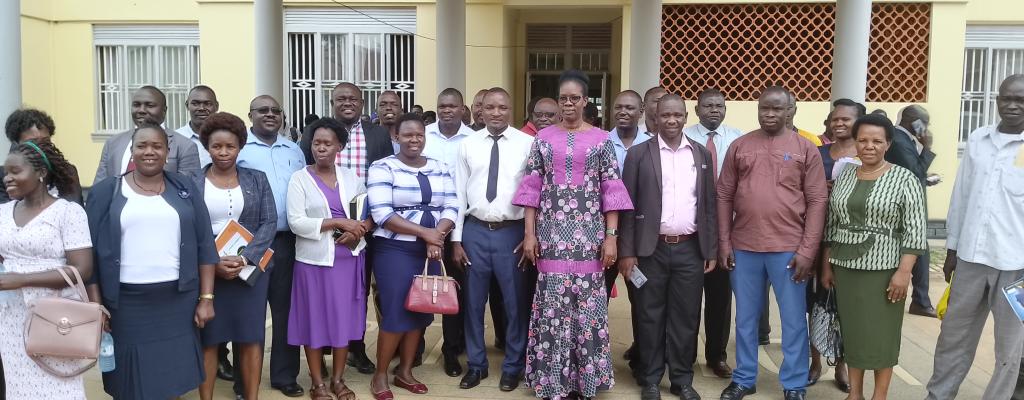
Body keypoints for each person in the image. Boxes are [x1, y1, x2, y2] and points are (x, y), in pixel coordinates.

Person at [513, 69, 633, 400]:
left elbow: (612, 189)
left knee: (588, 308)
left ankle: (586, 382)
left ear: (585, 100)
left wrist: (611, 237)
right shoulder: (543, 138)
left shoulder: (602, 139)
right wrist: (529, 235)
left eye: (575, 98)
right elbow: (531, 189)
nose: (569, 104)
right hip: (550, 236)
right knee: (551, 307)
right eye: (563, 98)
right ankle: (552, 381)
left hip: (590, 239)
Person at [85, 124, 218, 399]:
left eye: (157, 146)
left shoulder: (185, 188)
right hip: (125, 304)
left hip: (177, 302)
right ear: (131, 151)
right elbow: (92, 256)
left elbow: (205, 245)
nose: (149, 152)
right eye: (142, 146)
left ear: (167, 152)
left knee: (171, 378)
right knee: (128, 382)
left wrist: (206, 297)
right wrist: (96, 305)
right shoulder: (105, 192)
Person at [717, 86, 827, 400]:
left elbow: (818, 201)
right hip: (745, 246)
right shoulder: (740, 146)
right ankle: (744, 377)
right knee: (746, 318)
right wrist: (724, 242)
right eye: (764, 108)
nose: (769, 114)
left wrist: (808, 249)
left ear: (791, 111)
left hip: (789, 250)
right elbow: (724, 195)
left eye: (777, 109)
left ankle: (793, 383)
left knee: (793, 320)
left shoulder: (806, 149)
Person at [927, 74, 1024, 400]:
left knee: (1009, 348)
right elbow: (961, 196)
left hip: (1016, 266)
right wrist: (952, 248)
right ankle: (939, 394)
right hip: (970, 258)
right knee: (953, 335)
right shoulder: (978, 140)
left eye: (1020, 100)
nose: (1012, 105)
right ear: (996, 100)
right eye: (1006, 98)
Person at [617, 94, 718, 400]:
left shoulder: (701, 154)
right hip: (650, 250)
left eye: (677, 115)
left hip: (690, 249)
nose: (671, 121)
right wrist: (627, 251)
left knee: (686, 317)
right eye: (665, 116)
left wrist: (710, 249)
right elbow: (626, 207)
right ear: (654, 118)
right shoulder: (638, 154)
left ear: (686, 117)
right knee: (649, 316)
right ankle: (649, 379)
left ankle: (681, 380)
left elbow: (709, 206)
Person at [820, 114, 927, 400]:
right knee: (853, 333)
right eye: (863, 140)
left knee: (882, 335)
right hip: (845, 268)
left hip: (885, 270)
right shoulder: (845, 175)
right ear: (855, 143)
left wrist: (904, 272)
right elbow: (832, 224)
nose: (869, 146)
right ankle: (855, 394)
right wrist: (827, 264)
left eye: (877, 141)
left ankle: (879, 395)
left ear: (888, 143)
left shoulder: (904, 178)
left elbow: (915, 231)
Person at [366, 113, 459, 399]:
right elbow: (382, 214)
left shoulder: (440, 167)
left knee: (420, 310)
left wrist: (437, 236)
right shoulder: (383, 167)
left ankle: (405, 371)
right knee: (396, 312)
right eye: (407, 135)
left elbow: (452, 206)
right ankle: (380, 375)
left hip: (430, 248)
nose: (414, 140)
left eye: (419, 134)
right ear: (396, 136)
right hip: (395, 249)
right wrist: (426, 234)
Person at [449, 88, 533, 392]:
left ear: (511, 109)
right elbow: (458, 193)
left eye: (502, 107)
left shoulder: (527, 144)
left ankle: (513, 366)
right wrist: (456, 240)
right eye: (490, 107)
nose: (496, 113)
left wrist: (529, 235)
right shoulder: (467, 145)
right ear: (480, 110)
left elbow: (534, 195)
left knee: (515, 304)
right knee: (473, 302)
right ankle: (477, 365)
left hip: (512, 232)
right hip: (474, 231)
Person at [190, 112, 277, 400]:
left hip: (248, 273)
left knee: (251, 337)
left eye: (230, 146)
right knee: (209, 340)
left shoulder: (257, 179)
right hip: (208, 274)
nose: (223, 152)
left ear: (240, 146)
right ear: (207, 147)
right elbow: (187, 227)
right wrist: (212, 263)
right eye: (217, 146)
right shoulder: (191, 182)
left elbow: (269, 221)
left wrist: (244, 259)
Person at [311, 82, 393, 374]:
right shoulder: (318, 133)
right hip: (324, 230)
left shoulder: (378, 133)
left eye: (353, 99)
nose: (347, 103)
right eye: (341, 99)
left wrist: (366, 225)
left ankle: (356, 348)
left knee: (358, 292)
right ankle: (319, 353)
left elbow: (385, 179)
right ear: (332, 102)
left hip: (366, 227)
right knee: (324, 294)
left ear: (362, 102)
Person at [0, 140, 92, 399]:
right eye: (6, 172)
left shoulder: (68, 212)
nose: (8, 178)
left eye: (16, 171)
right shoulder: (3, 212)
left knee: (59, 385)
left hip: (54, 316)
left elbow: (82, 270)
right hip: (10, 316)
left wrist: (23, 280)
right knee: (19, 386)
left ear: (40, 172)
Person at [287, 117, 369, 400]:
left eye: (327, 143)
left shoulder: (350, 177)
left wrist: (358, 231)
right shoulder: (299, 178)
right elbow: (296, 222)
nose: (321, 148)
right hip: (314, 264)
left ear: (339, 147)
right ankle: (318, 383)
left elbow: (364, 215)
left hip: (349, 259)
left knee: (342, 322)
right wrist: (337, 223)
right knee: (315, 322)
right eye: (316, 143)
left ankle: (338, 379)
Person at [236, 95, 307, 398]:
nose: (269, 115)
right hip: (250, 244)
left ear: (282, 116)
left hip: (289, 242)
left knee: (286, 312)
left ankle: (284, 374)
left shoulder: (294, 150)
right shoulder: (239, 150)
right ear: (250, 115)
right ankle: (244, 381)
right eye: (262, 110)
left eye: (275, 111)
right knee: (248, 313)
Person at [682, 88, 744, 380]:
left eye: (719, 106)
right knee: (688, 297)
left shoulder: (738, 140)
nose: (714, 110)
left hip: (726, 229)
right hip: (692, 229)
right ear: (697, 109)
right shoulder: (684, 137)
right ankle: (685, 355)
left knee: (720, 297)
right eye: (708, 106)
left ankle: (717, 356)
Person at [807, 98, 864, 392]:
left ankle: (840, 366)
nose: (839, 123)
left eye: (846, 119)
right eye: (834, 119)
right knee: (815, 304)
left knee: (843, 306)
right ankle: (815, 362)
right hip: (815, 239)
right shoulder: (816, 153)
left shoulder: (868, 153)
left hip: (850, 242)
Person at [604, 89, 651, 380]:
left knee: (643, 302)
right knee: (596, 300)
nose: (624, 112)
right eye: (619, 106)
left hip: (641, 236)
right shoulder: (599, 142)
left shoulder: (652, 144)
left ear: (641, 111)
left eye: (630, 107)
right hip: (603, 236)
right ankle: (594, 359)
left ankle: (643, 360)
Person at [884, 104, 937, 318]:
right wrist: (928, 147)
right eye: (924, 123)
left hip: (908, 204)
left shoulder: (904, 139)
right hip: (905, 207)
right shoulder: (898, 139)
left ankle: (921, 300)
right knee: (920, 250)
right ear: (913, 121)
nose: (926, 127)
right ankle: (920, 301)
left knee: (920, 251)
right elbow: (915, 173)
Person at [94, 86, 201, 182]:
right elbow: (99, 187)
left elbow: (190, 190)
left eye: (149, 105)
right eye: (136, 105)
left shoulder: (185, 146)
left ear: (164, 110)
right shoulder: (112, 143)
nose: (141, 110)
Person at [1, 108, 83, 204]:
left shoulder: (67, 172)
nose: (40, 148)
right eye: (32, 142)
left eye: (46, 141)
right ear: (17, 144)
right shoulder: (5, 177)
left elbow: (75, 209)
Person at [176, 85, 219, 168]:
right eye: (195, 104)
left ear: (216, 106)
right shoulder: (176, 138)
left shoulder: (227, 138)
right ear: (187, 105)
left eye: (207, 104)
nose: (201, 108)